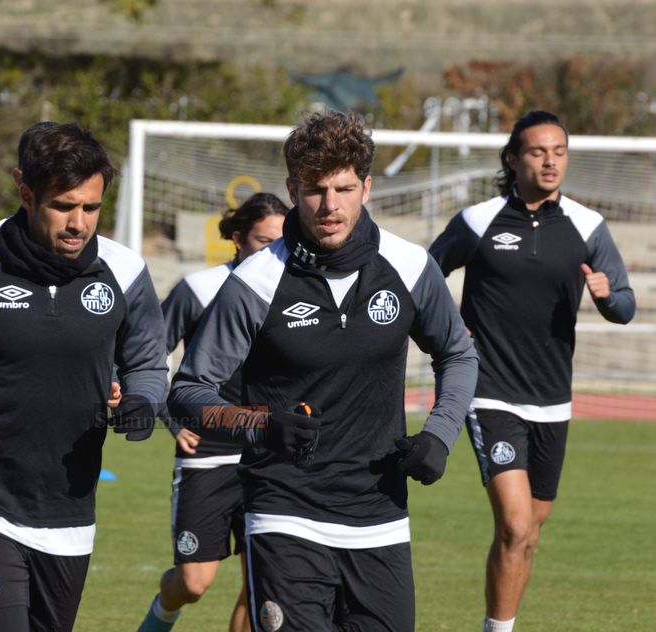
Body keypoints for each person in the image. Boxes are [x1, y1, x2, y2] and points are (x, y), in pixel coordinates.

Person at [167, 110, 478, 631]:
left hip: (379, 515)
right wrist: (260, 424)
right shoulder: (255, 282)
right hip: (285, 512)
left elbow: (458, 353)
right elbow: (189, 392)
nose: (330, 205)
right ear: (293, 188)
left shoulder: (409, 266)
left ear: (367, 186)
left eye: (344, 187)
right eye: (315, 189)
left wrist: (441, 436)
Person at [0, 121, 168, 632]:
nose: (78, 223)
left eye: (90, 207)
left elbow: (148, 363)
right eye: (63, 206)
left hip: (68, 505)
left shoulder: (125, 272)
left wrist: (144, 402)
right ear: (25, 193)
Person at [428, 110, 635, 632]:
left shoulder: (588, 226)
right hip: (490, 391)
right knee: (516, 523)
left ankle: (500, 625)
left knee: (530, 531)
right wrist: (451, 331)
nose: (550, 161)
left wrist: (609, 299)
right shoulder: (478, 221)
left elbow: (626, 305)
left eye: (559, 152)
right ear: (513, 159)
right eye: (538, 152)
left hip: (553, 398)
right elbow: (423, 278)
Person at [139, 192, 288, 632]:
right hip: (208, 454)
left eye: (281, 241)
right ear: (238, 238)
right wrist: (171, 419)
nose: (273, 250)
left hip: (267, 455)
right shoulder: (198, 289)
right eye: (263, 240)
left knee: (261, 585)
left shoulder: (294, 291)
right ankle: (160, 617)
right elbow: (148, 359)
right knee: (194, 582)